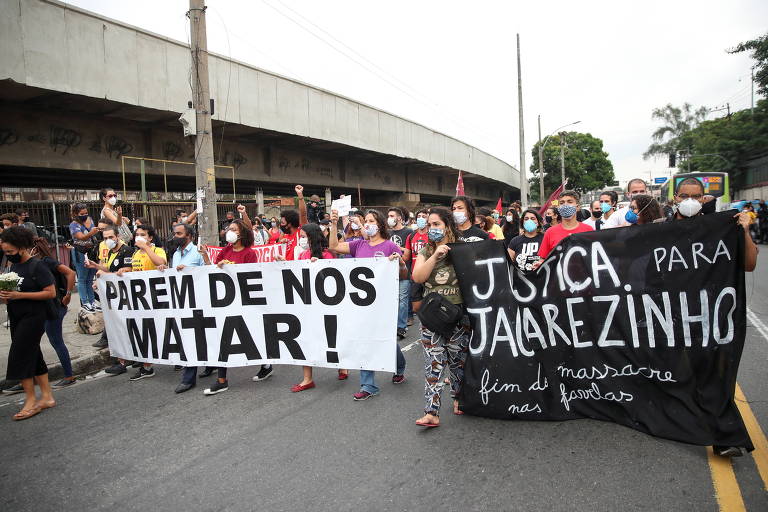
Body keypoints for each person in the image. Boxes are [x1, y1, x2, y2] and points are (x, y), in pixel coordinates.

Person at [329, 208, 408, 400]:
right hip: (361, 304)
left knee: (386, 338)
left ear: (380, 225)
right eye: (366, 222)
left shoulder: (390, 247)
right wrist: (333, 224)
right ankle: (368, 385)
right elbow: (333, 247)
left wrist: (401, 265)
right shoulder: (359, 245)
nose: (367, 225)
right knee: (365, 340)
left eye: (371, 221)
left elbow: (404, 275)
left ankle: (399, 366)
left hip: (384, 303)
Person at [410, 207, 470, 427]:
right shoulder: (426, 250)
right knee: (433, 365)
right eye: (430, 225)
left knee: (457, 363)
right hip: (432, 319)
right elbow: (417, 277)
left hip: (458, 317)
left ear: (448, 225)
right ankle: (431, 412)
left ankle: (459, 399)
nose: (432, 229)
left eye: (437, 224)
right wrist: (436, 255)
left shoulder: (462, 249)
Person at [202, 219, 272, 395]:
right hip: (225, 303)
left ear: (242, 233)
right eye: (228, 229)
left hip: (243, 303)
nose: (228, 231)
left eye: (233, 229)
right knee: (223, 337)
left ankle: (266, 364)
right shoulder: (226, 250)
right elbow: (213, 270)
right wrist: (206, 257)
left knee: (252, 336)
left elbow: (250, 278)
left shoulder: (249, 254)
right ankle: (222, 380)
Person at [0, 226, 58, 420]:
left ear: (22, 247)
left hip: (34, 316)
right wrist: (7, 296)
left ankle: (31, 400)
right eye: (6, 252)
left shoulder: (37, 266)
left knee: (21, 355)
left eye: (10, 251)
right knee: (34, 354)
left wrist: (19, 294)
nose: (8, 255)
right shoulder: (13, 266)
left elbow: (50, 293)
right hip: (17, 315)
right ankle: (47, 396)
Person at [290, 223, 349, 392]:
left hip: (326, 306)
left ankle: (342, 365)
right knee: (305, 338)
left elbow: (334, 282)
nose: (300, 239)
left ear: (312, 237)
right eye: (299, 236)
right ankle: (307, 378)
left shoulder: (328, 255)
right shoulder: (302, 255)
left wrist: (319, 267)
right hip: (307, 304)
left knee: (332, 336)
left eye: (303, 236)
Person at [158, 223, 210, 393]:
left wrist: (191, 270)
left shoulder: (198, 253)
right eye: (174, 233)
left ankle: (197, 373)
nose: (175, 236)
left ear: (190, 236)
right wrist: (166, 270)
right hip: (182, 302)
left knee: (200, 336)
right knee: (191, 338)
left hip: (199, 301)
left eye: (179, 233)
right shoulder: (175, 254)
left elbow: (209, 274)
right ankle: (194, 374)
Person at [118, 225, 167, 381]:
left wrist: (146, 248)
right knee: (145, 332)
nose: (139, 237)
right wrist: (124, 271)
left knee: (161, 331)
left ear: (150, 237)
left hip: (156, 299)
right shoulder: (136, 253)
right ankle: (147, 366)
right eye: (137, 235)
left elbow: (160, 262)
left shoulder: (157, 250)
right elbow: (134, 271)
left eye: (143, 235)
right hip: (140, 300)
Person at [31, 237, 77, 388]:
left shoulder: (46, 262)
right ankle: (30, 376)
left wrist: (68, 295)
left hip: (54, 307)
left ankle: (69, 375)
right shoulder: (32, 264)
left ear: (34, 249)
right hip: (41, 308)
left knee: (56, 341)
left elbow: (70, 273)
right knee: (32, 342)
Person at [86, 224, 133, 364]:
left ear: (118, 236)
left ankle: (126, 359)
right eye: (105, 238)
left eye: (111, 237)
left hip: (124, 295)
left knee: (123, 327)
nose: (108, 240)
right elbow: (108, 268)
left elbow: (129, 270)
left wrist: (115, 273)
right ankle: (121, 360)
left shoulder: (127, 250)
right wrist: (97, 267)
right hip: (113, 294)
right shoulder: (111, 252)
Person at [537, 191, 594, 259]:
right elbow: (543, 259)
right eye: (562, 203)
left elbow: (593, 257)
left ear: (578, 207)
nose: (565, 205)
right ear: (558, 207)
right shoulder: (550, 232)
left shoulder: (588, 230)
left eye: (569, 202)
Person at [387, 207, 413, 339]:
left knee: (402, 301)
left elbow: (408, 254)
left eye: (392, 215)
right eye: (388, 215)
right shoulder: (387, 233)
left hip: (404, 272)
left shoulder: (409, 232)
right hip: (389, 274)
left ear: (398, 218)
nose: (389, 218)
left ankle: (401, 327)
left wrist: (393, 247)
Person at [69, 203, 99, 311]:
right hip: (80, 252)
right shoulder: (73, 225)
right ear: (76, 214)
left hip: (91, 251)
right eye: (82, 213)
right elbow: (81, 237)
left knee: (90, 278)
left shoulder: (90, 219)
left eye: (86, 213)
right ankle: (85, 301)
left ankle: (92, 301)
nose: (85, 215)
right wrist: (92, 232)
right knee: (82, 277)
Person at [404, 209, 430, 317]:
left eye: (424, 216)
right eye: (419, 216)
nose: (421, 218)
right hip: (415, 274)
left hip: (429, 273)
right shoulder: (411, 236)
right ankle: (423, 322)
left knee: (431, 301)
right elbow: (407, 256)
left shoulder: (432, 235)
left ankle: (428, 326)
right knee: (416, 305)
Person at [279, 185, 310, 260]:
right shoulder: (285, 237)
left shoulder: (301, 232)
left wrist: (300, 195)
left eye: (282, 223)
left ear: (289, 224)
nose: (280, 225)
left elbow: (303, 214)